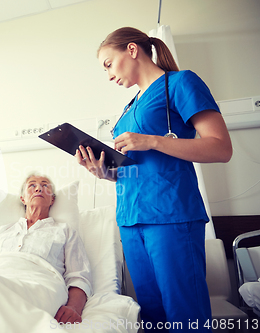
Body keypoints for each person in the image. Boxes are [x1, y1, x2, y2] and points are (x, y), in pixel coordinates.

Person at [76, 27, 232, 331]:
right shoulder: (129, 108)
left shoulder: (180, 83)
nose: (108, 76)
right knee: (151, 313)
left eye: (108, 64)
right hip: (132, 220)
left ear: (132, 50)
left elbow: (221, 147)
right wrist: (104, 172)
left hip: (171, 215)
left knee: (185, 313)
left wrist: (152, 141)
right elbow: (136, 169)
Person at [0, 173, 93, 324]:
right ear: (23, 198)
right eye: (32, 185)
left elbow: (79, 277)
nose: (38, 189)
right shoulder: (1, 232)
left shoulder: (65, 231)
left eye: (45, 186)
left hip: (38, 285)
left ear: (52, 199)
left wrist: (74, 307)